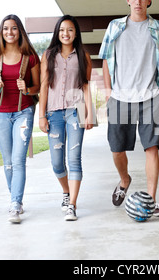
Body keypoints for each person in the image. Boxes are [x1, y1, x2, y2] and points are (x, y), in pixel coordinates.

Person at [99, 0, 159, 217]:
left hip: (151, 96)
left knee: (152, 148)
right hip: (120, 96)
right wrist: (108, 91)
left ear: (149, 1)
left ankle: (151, 201)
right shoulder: (115, 27)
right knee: (116, 148)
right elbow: (105, 59)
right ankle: (124, 179)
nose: (138, 2)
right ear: (128, 0)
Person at [0, 14, 40, 223]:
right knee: (7, 162)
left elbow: (38, 87)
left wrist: (27, 89)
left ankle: (15, 204)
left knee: (18, 160)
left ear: (20, 32)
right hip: (0, 115)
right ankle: (14, 200)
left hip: (23, 113)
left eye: (14, 28)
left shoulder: (30, 57)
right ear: (1, 32)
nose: (10, 32)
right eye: (6, 28)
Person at [39, 15, 94, 221]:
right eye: (62, 30)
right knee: (56, 163)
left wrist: (90, 114)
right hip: (53, 113)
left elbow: (86, 85)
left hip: (76, 110)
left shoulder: (83, 56)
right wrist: (41, 116)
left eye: (70, 30)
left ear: (76, 33)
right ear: (57, 32)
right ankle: (66, 191)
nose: (66, 33)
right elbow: (44, 86)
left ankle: (72, 205)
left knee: (74, 159)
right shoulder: (48, 55)